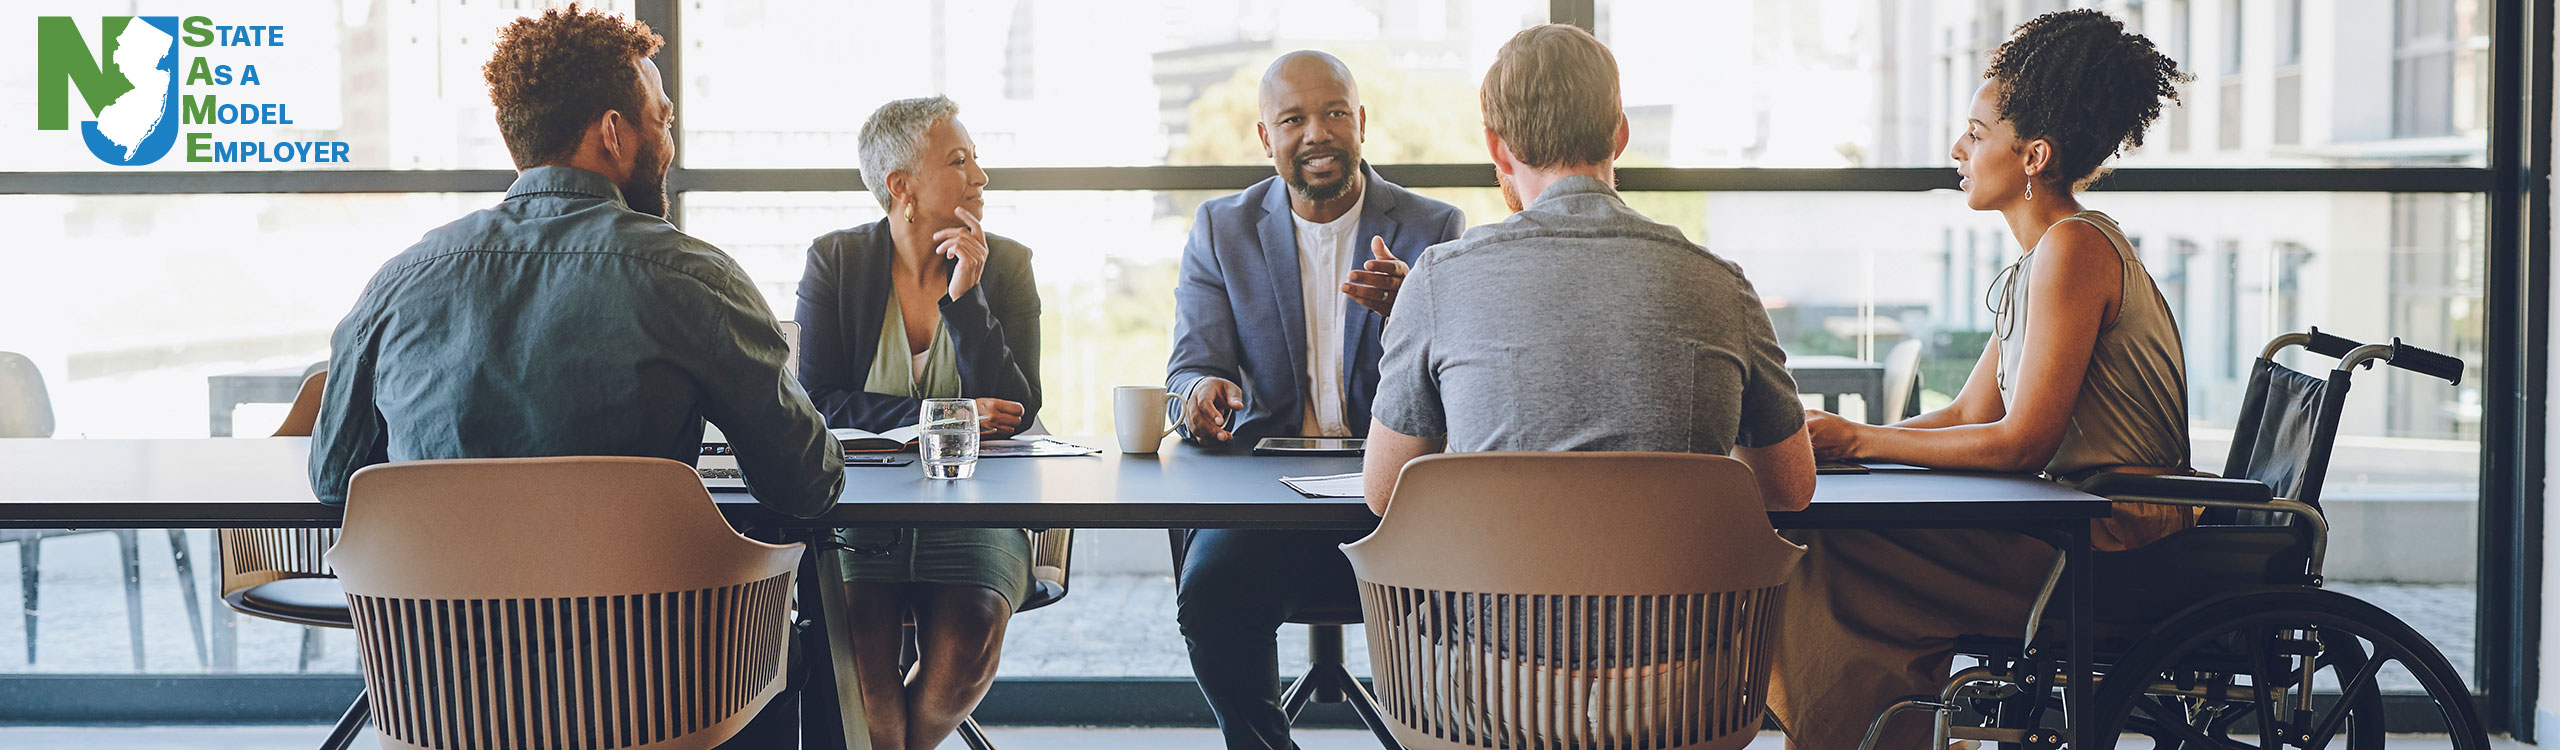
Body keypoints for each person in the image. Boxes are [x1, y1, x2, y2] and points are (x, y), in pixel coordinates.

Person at [308, 6, 838, 746]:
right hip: (659, 691)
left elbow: (335, 481)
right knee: (800, 642)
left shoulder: (400, 281)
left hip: (444, 691)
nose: (670, 142)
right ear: (614, 133)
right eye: (664, 119)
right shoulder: (692, 277)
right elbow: (806, 486)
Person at [1773, 10, 2193, 749]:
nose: (1957, 148)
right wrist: (1850, 448)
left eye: (1975, 132)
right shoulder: (2042, 260)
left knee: (1834, 555)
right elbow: (1971, 409)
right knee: (1831, 545)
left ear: (2033, 155)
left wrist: (1866, 437)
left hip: (2110, 540)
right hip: (2069, 523)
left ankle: (1874, 732)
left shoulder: (2073, 250)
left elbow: (2020, 443)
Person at [1359, 22, 1815, 514]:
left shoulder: (1437, 280)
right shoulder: (1723, 286)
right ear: (1619, 134)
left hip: (1506, 592)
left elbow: (1385, 494)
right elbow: (1789, 488)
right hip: (1681, 592)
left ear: (1496, 148)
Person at [1163, 50, 1466, 750]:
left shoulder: (1434, 229)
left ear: (1361, 123)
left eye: (1334, 113)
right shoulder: (1222, 228)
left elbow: (1466, 384)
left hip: (1398, 495)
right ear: (1266, 138)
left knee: (1467, 592)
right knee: (1209, 595)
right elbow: (1188, 369)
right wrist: (1201, 392)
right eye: (1293, 118)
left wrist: (1410, 309)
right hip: (1267, 498)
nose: (1317, 133)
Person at [793, 96, 1041, 750]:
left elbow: (1020, 411)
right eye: (959, 161)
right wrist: (943, 416)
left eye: (976, 159)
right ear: (901, 187)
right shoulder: (835, 263)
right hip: (858, 513)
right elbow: (817, 398)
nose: (981, 177)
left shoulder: (1006, 266)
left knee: (967, 642)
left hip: (974, 512)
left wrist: (967, 299)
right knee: (860, 657)